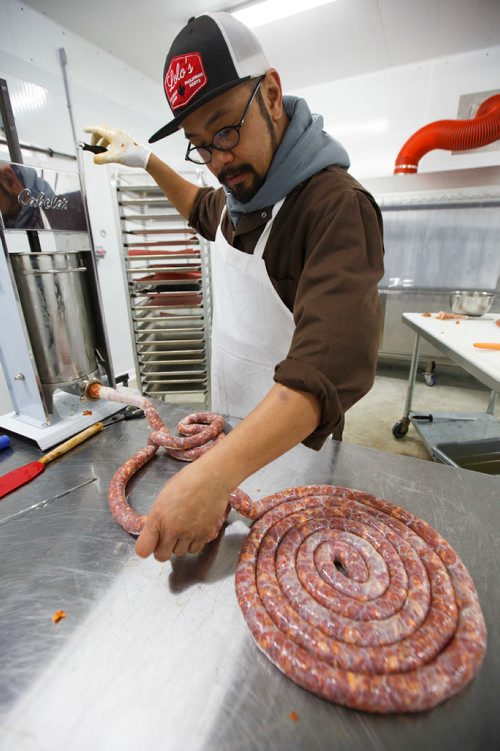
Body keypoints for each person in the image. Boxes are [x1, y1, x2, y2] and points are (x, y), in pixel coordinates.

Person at [85, 12, 384, 563]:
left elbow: (330, 366)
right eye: (200, 145)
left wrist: (214, 476)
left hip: (292, 454)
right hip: (229, 440)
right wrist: (144, 158)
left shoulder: (334, 207)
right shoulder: (242, 197)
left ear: (271, 94)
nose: (219, 161)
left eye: (225, 130)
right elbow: (202, 207)